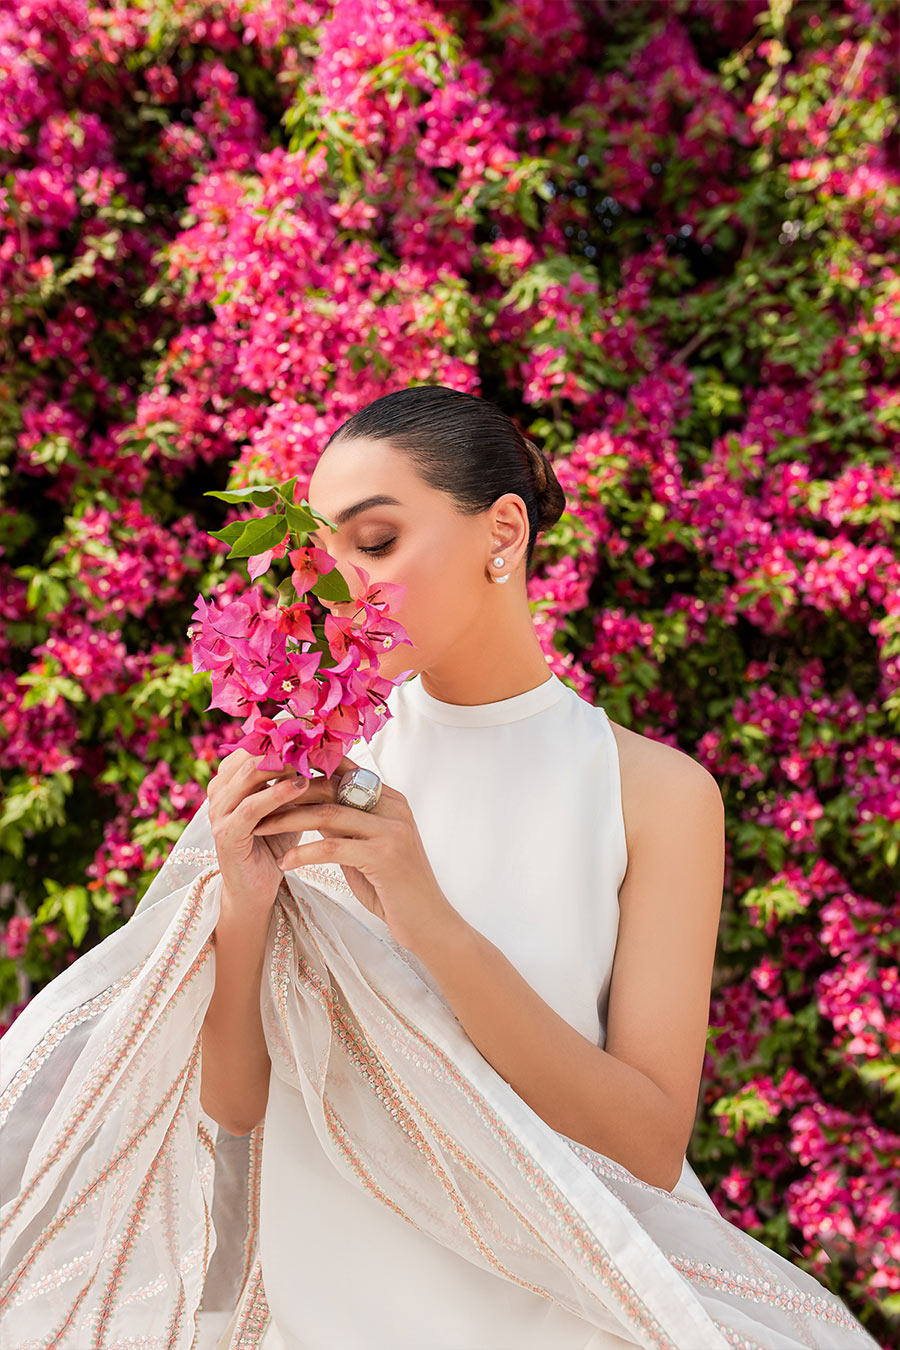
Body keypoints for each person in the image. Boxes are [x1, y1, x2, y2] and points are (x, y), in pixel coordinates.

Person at [0, 386, 879, 1350]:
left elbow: (650, 1139)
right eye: (321, 558)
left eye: (374, 544)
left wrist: (427, 915)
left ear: (504, 533)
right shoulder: (309, 762)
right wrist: (243, 909)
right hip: (326, 1319)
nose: (341, 589)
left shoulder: (656, 794)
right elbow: (234, 1114)